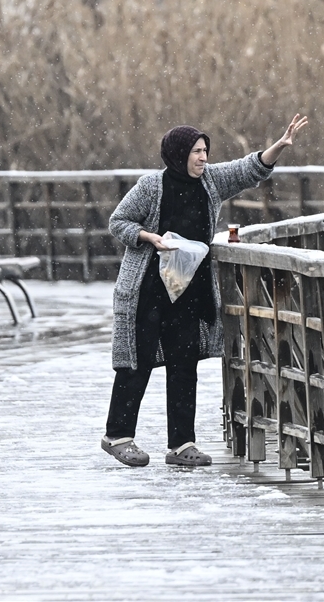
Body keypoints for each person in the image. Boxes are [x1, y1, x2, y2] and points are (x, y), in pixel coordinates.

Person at [102, 115, 309, 467]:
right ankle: (117, 436)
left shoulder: (210, 181)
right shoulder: (151, 186)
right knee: (135, 363)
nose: (203, 158)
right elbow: (118, 222)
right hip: (147, 289)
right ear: (178, 154)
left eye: (205, 151)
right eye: (196, 152)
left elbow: (248, 170)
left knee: (185, 366)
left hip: (189, 291)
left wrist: (279, 146)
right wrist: (148, 237)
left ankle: (182, 445)